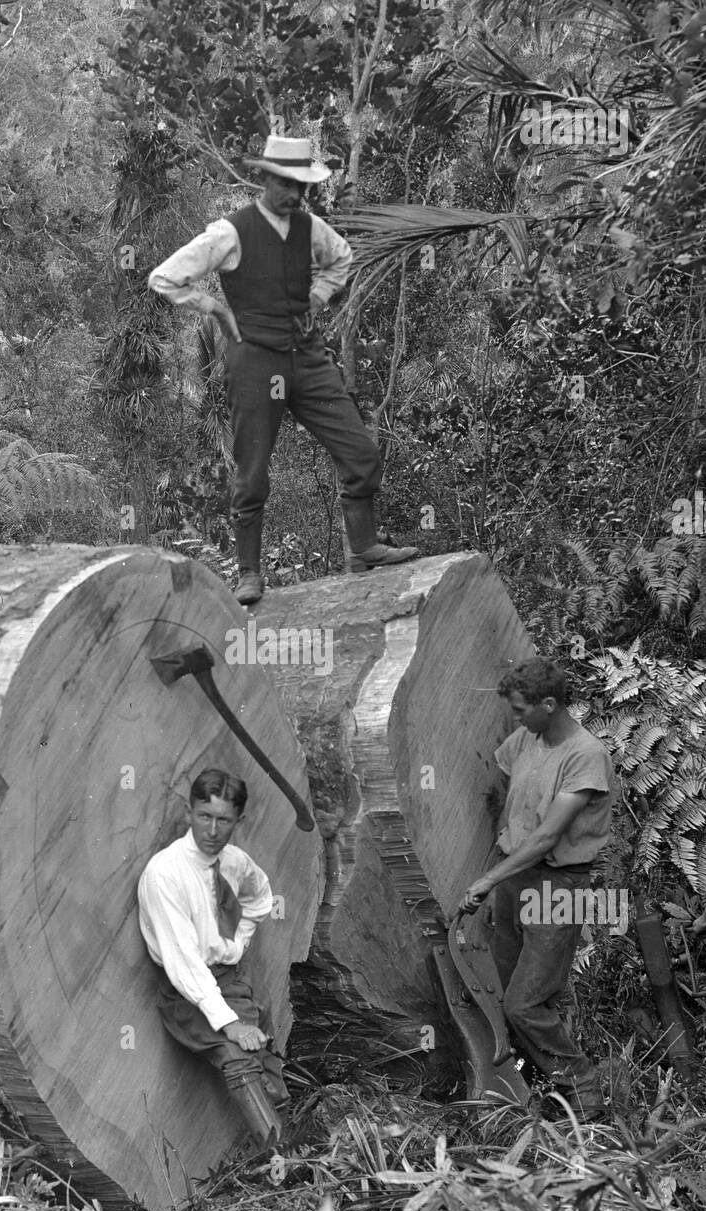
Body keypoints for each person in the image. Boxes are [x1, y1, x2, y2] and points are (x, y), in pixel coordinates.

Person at [148, 134, 419, 605]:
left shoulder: (311, 228)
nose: (296, 195)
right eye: (288, 184)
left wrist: (316, 297)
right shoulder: (230, 232)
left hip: (306, 354)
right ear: (266, 178)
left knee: (359, 451)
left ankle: (364, 548)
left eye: (303, 186)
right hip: (253, 358)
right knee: (252, 471)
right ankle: (250, 573)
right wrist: (214, 307)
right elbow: (164, 277)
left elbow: (342, 259)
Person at [459, 658, 616, 1120]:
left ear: (550, 704)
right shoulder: (528, 737)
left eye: (522, 709)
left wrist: (489, 878)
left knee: (525, 1002)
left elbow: (547, 836)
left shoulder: (585, 755)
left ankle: (584, 1090)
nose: (516, 718)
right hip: (517, 877)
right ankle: (546, 1087)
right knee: (512, 995)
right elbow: (511, 795)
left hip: (559, 886)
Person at [137, 767, 287, 1145]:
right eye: (204, 816)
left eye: (224, 820)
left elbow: (260, 897)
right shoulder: (165, 873)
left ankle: (297, 1144)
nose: (213, 830)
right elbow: (183, 962)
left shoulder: (234, 862)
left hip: (230, 978)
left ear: (239, 820)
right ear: (189, 813)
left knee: (264, 1051)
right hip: (187, 992)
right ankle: (280, 1162)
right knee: (237, 1055)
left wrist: (239, 943)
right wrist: (227, 1023)